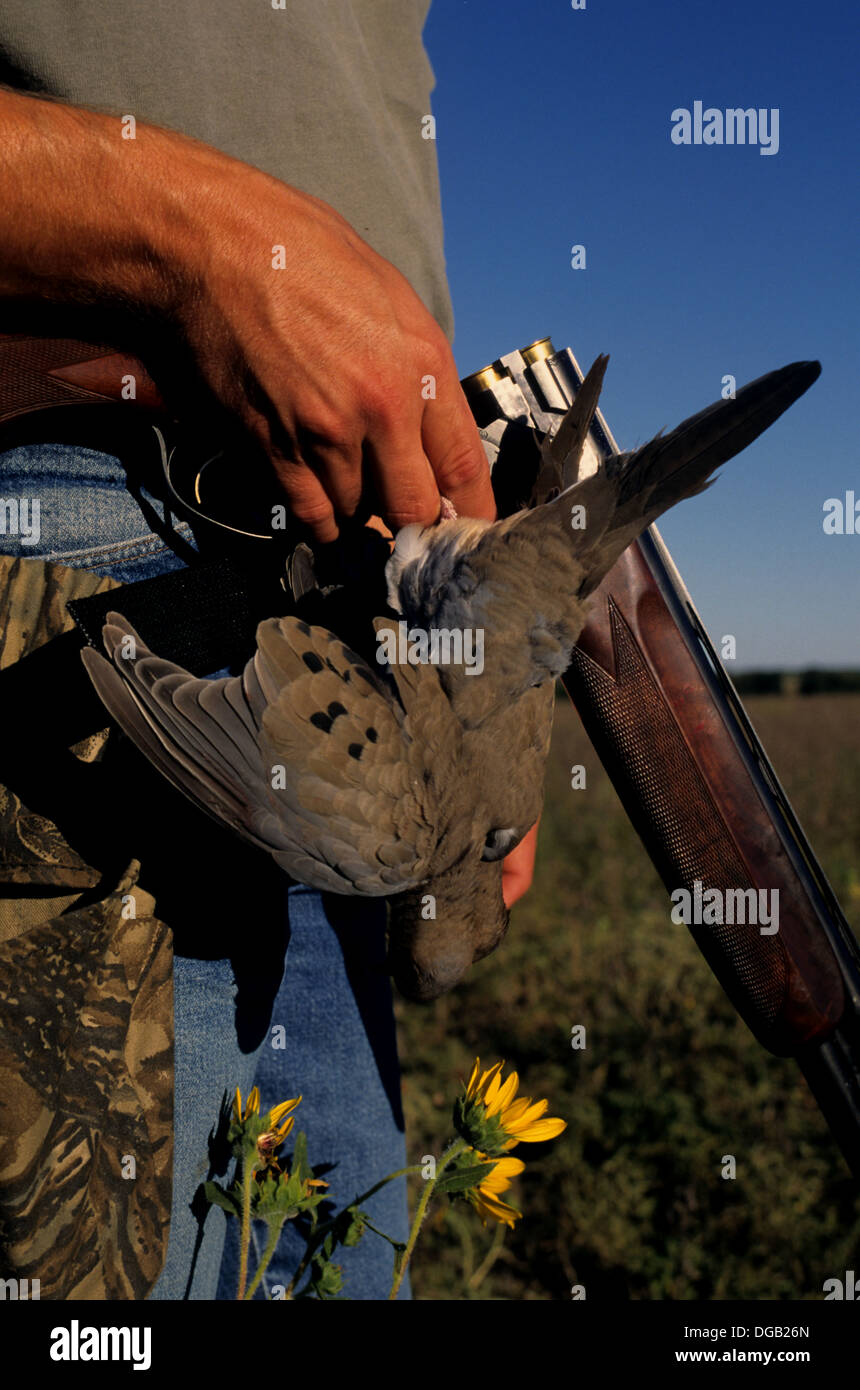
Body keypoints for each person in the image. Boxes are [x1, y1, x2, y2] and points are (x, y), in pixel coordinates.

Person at [0, 1, 538, 1299]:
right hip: (72, 519)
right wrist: (204, 239)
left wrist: (485, 677)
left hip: (368, 612)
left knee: (332, 1259)